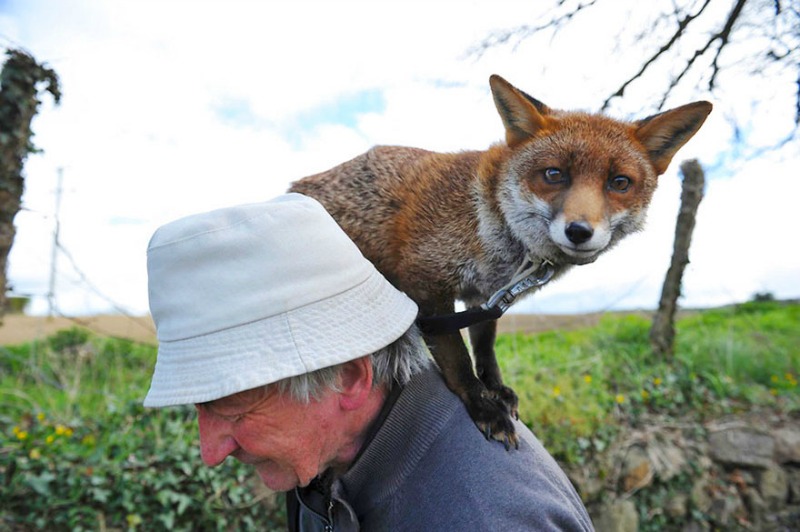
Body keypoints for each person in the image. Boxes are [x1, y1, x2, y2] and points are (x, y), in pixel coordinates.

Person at [143, 193, 594, 531]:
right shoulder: (329, 453)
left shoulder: (488, 517)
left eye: (235, 408)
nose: (210, 453)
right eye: (199, 405)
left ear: (349, 377)